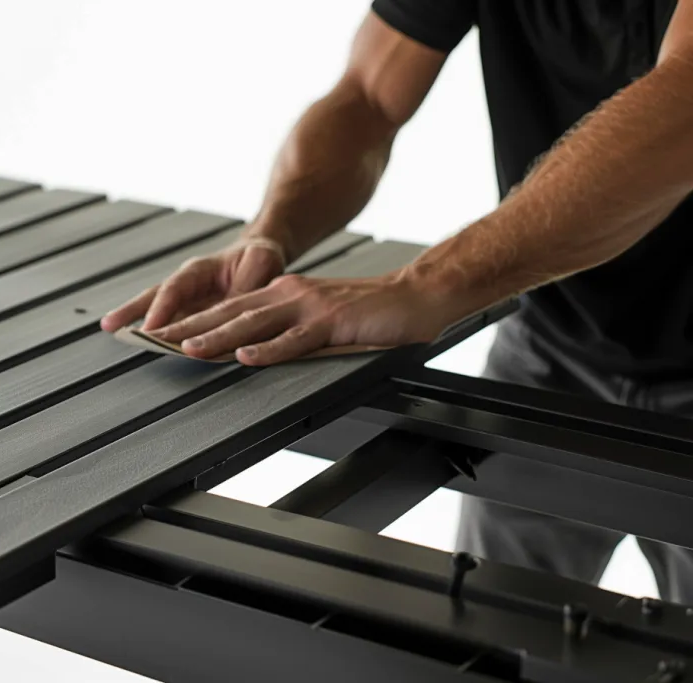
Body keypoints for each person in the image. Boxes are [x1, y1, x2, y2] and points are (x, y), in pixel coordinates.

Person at [100, 1, 693, 603]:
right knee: (496, 632)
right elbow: (367, 98)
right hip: (553, 345)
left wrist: (425, 287)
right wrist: (270, 232)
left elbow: (685, 101)